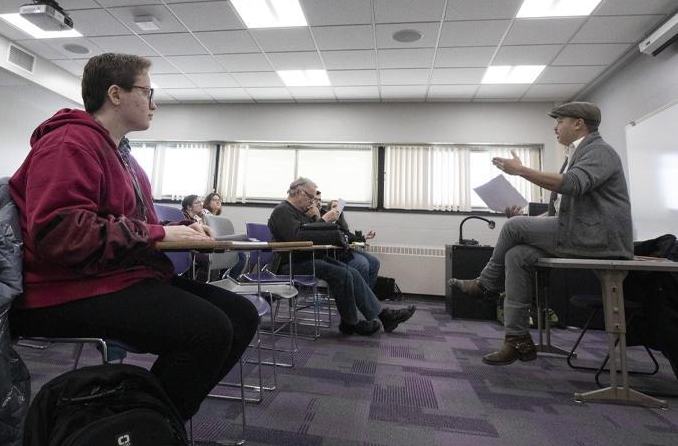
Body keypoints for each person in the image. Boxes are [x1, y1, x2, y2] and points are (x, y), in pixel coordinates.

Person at [8, 53, 258, 430]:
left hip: (114, 278)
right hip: (63, 290)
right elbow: (60, 235)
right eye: (147, 91)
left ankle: (144, 430)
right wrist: (160, 234)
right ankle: (134, 434)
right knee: (208, 330)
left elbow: (131, 225)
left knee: (241, 315)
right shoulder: (69, 143)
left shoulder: (124, 157)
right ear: (115, 94)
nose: (154, 103)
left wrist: (181, 230)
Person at [450, 102, 633, 365]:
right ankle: (516, 338)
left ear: (579, 123)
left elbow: (572, 185)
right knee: (517, 254)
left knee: (514, 229)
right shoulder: (576, 155)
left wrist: (521, 171)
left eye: (560, 121)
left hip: (599, 237)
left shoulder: (600, 152)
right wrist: (525, 222)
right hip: (577, 230)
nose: (555, 127)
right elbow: (562, 211)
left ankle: (486, 284)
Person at [269, 177, 415, 336]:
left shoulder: (301, 213)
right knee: (342, 274)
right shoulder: (282, 211)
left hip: (306, 258)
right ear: (298, 192)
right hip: (289, 262)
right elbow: (298, 238)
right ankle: (351, 323)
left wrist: (322, 221)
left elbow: (314, 235)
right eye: (310, 197)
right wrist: (323, 220)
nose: (312, 202)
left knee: (352, 272)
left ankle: (383, 316)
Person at [327, 199, 381, 291]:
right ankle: (362, 296)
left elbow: (350, 237)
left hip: (347, 250)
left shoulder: (341, 223)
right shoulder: (326, 223)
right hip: (338, 253)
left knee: (375, 262)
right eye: (333, 207)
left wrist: (364, 237)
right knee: (363, 264)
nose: (337, 209)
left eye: (338, 206)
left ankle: (368, 294)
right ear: (328, 210)